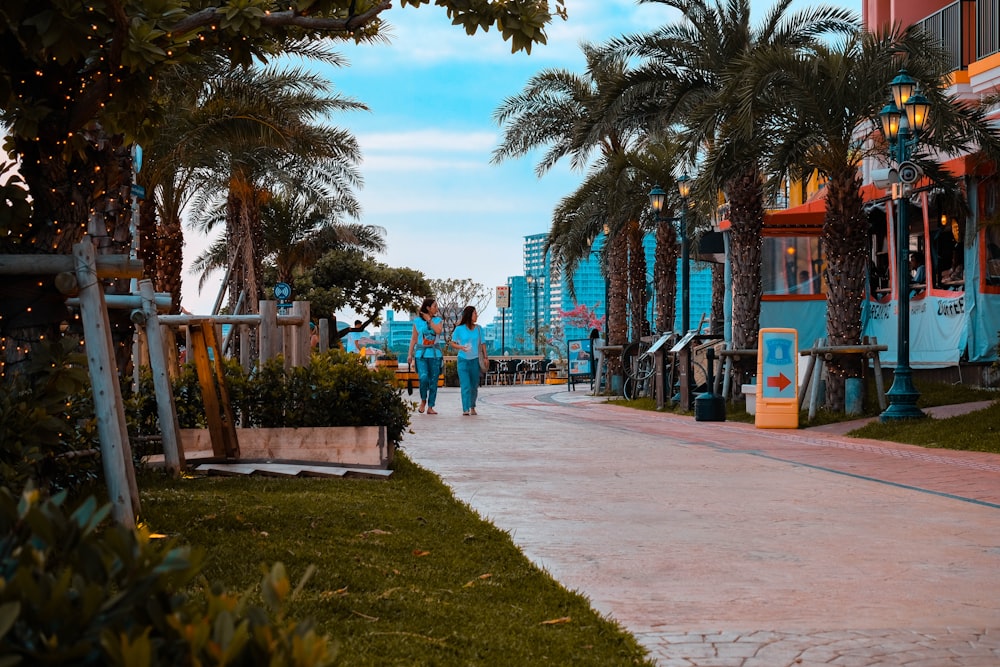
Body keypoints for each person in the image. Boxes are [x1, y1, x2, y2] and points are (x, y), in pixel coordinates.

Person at [407, 298, 443, 414]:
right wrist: (409, 354)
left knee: (433, 381)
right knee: (423, 378)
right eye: (434, 306)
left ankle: (430, 406)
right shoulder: (417, 321)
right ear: (428, 308)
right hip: (421, 354)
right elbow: (413, 338)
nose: (436, 308)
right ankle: (423, 400)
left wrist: (429, 320)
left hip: (435, 355)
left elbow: (438, 331)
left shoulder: (438, 320)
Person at [449, 305, 485, 416]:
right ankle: (465, 408)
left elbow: (482, 344)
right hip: (463, 360)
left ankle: (472, 406)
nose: (477, 315)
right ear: (469, 315)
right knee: (465, 385)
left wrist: (486, 357)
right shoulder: (459, 329)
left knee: (474, 386)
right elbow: (452, 342)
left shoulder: (479, 329)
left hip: (474, 360)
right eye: (475, 313)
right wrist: (461, 347)